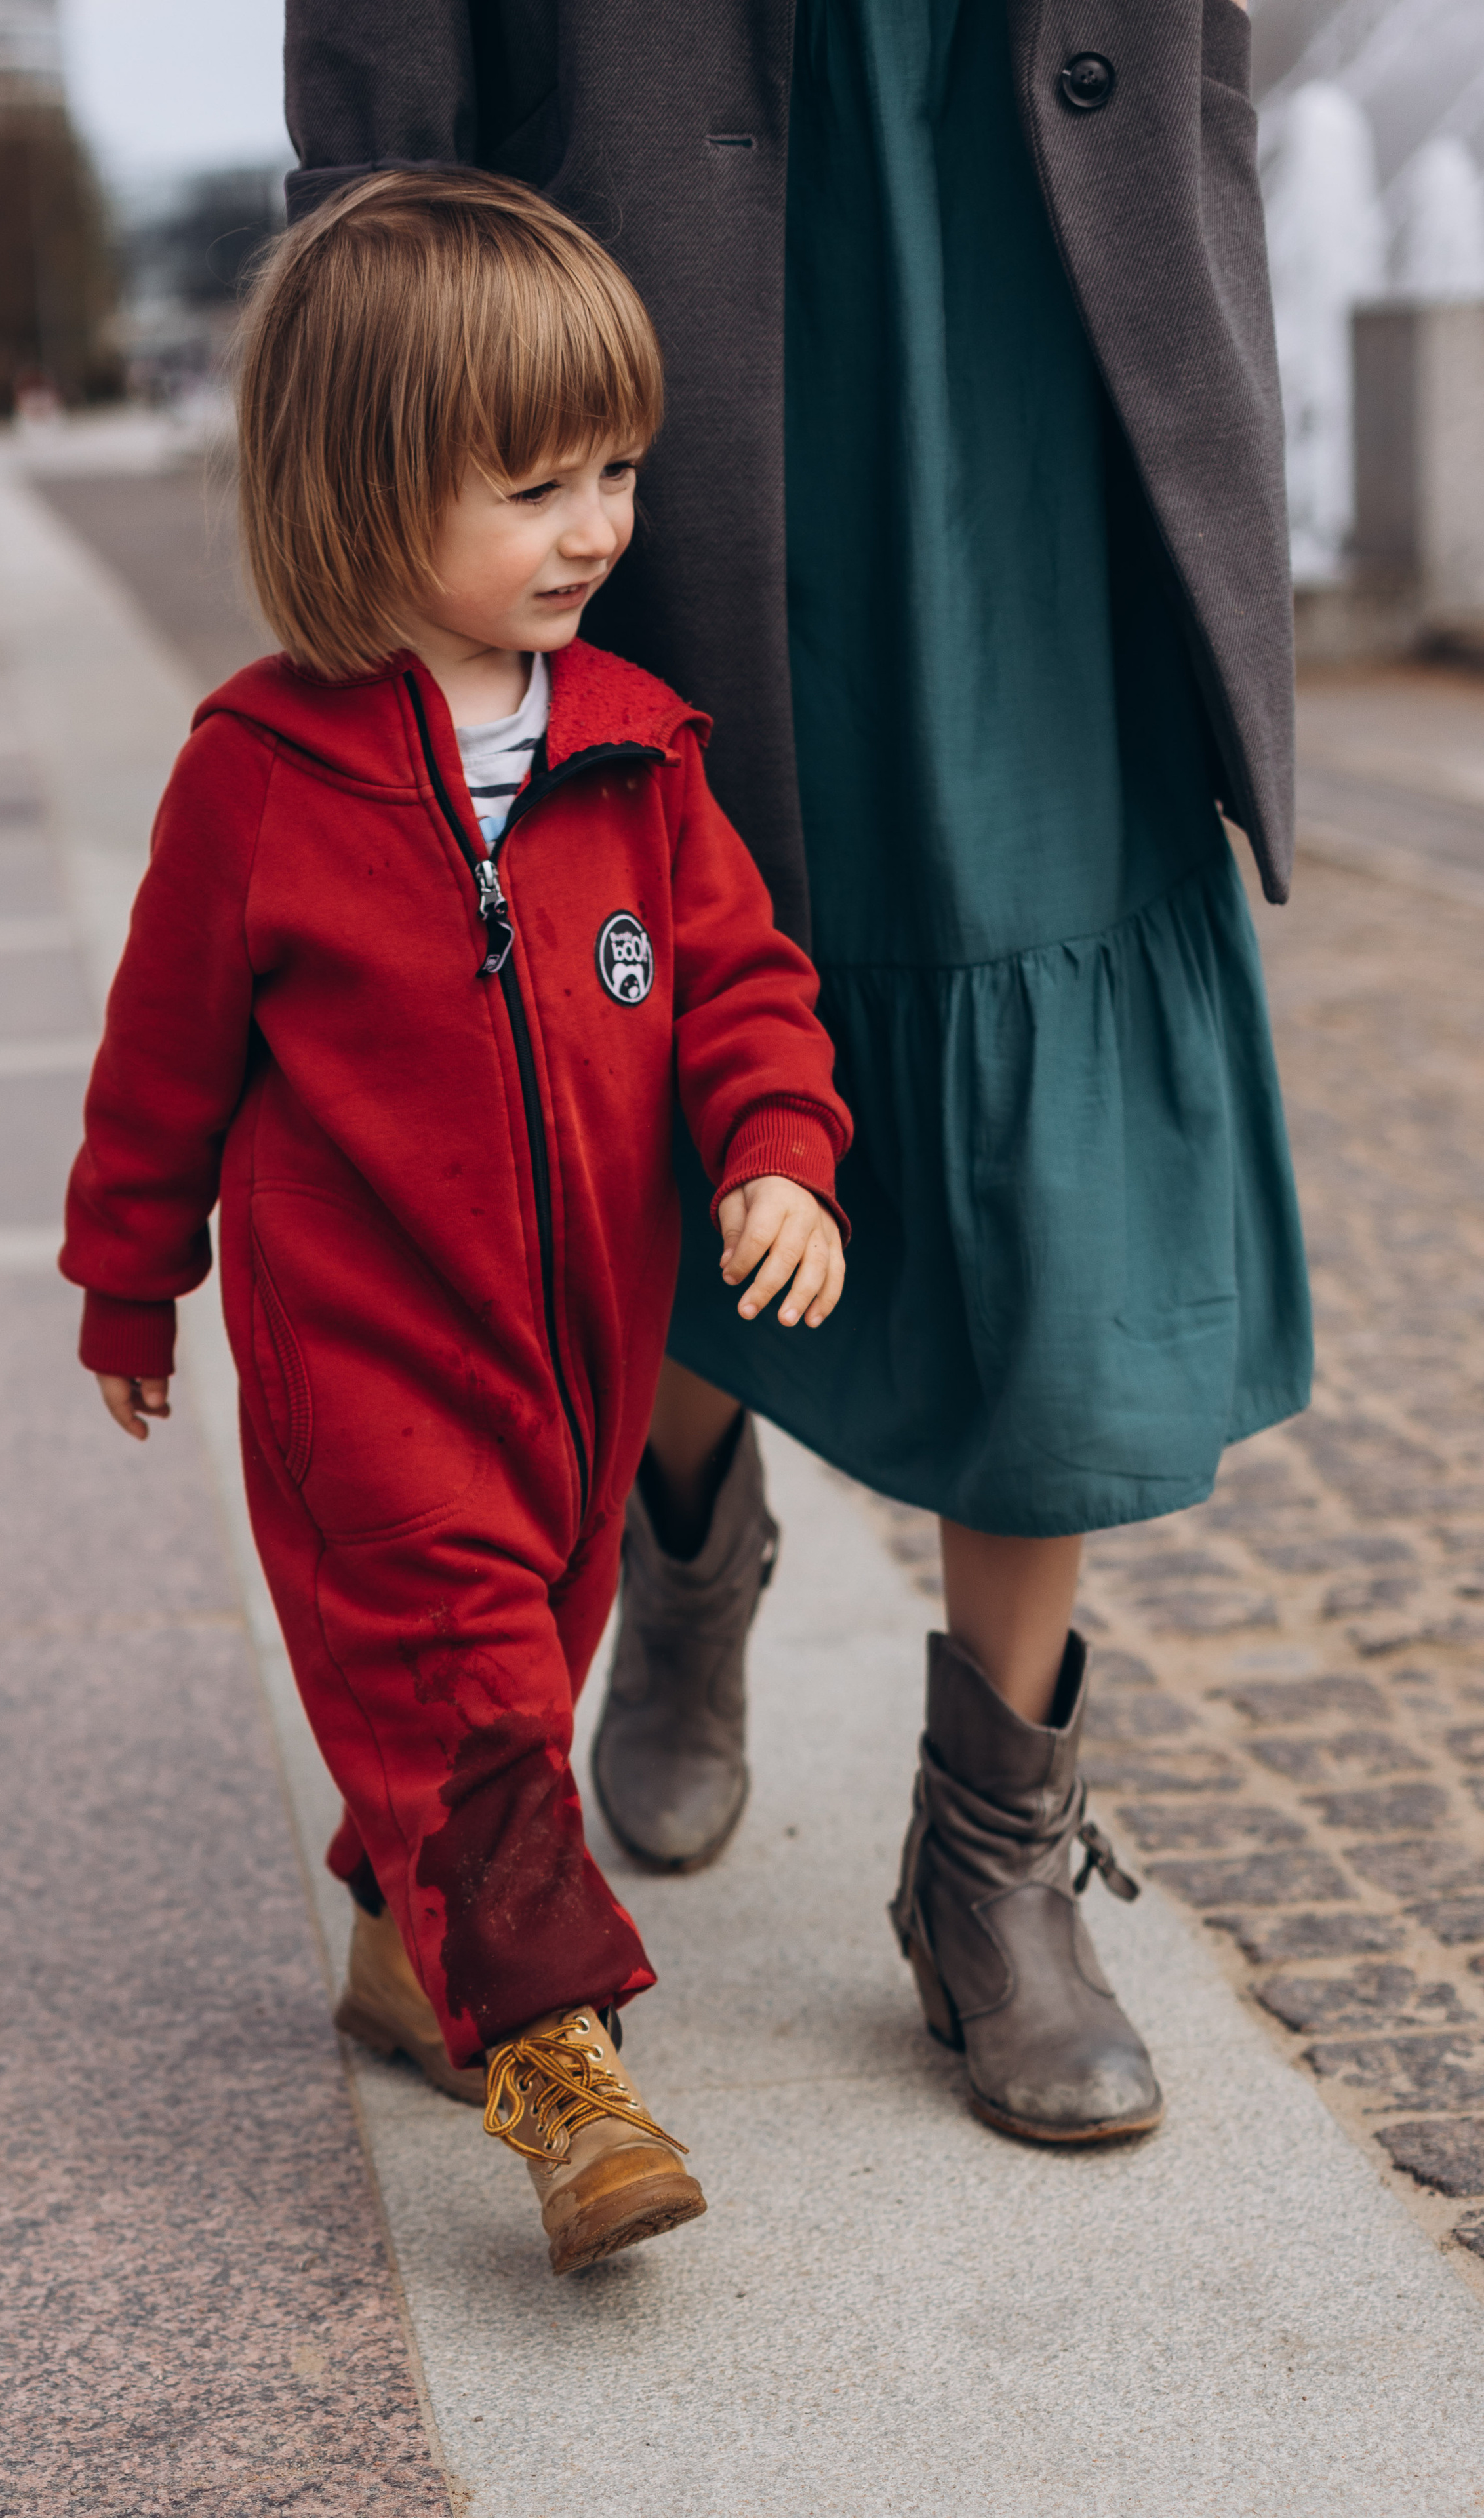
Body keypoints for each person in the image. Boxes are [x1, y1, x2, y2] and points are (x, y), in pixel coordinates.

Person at [281, 0, 1312, 2144]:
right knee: (666, 1004)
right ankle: (684, 1538)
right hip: (629, 265)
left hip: (1044, 237)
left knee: (1058, 1063)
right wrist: (379, 321)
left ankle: (994, 1862)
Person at [59, 169, 852, 2273]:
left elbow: (747, 988)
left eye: (615, 472)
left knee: (511, 1678)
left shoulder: (634, 753)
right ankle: (564, 2086)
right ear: (362, 485)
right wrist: (129, 1274)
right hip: (366, 1377)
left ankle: (404, 1952)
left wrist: (779, 1152)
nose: (597, 525)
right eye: (534, 485)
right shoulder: (256, 775)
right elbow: (159, 1059)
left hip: (579, 1374)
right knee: (481, 1708)